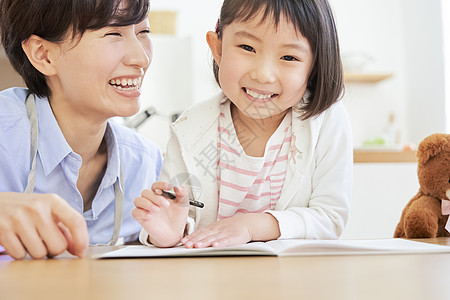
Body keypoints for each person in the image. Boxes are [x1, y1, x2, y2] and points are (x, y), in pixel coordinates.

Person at [133, 0, 352, 248]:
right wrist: (167, 233)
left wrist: (250, 226)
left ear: (314, 67)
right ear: (218, 48)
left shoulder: (326, 121)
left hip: (294, 280)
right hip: (211, 281)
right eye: (247, 47)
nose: (263, 74)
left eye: (289, 57)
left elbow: (330, 218)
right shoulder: (190, 128)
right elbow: (179, 221)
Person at [0, 0, 162, 260]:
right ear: (43, 54)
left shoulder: (145, 162)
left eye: (143, 32)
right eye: (113, 33)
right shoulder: (5, 132)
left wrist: (172, 235)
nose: (141, 58)